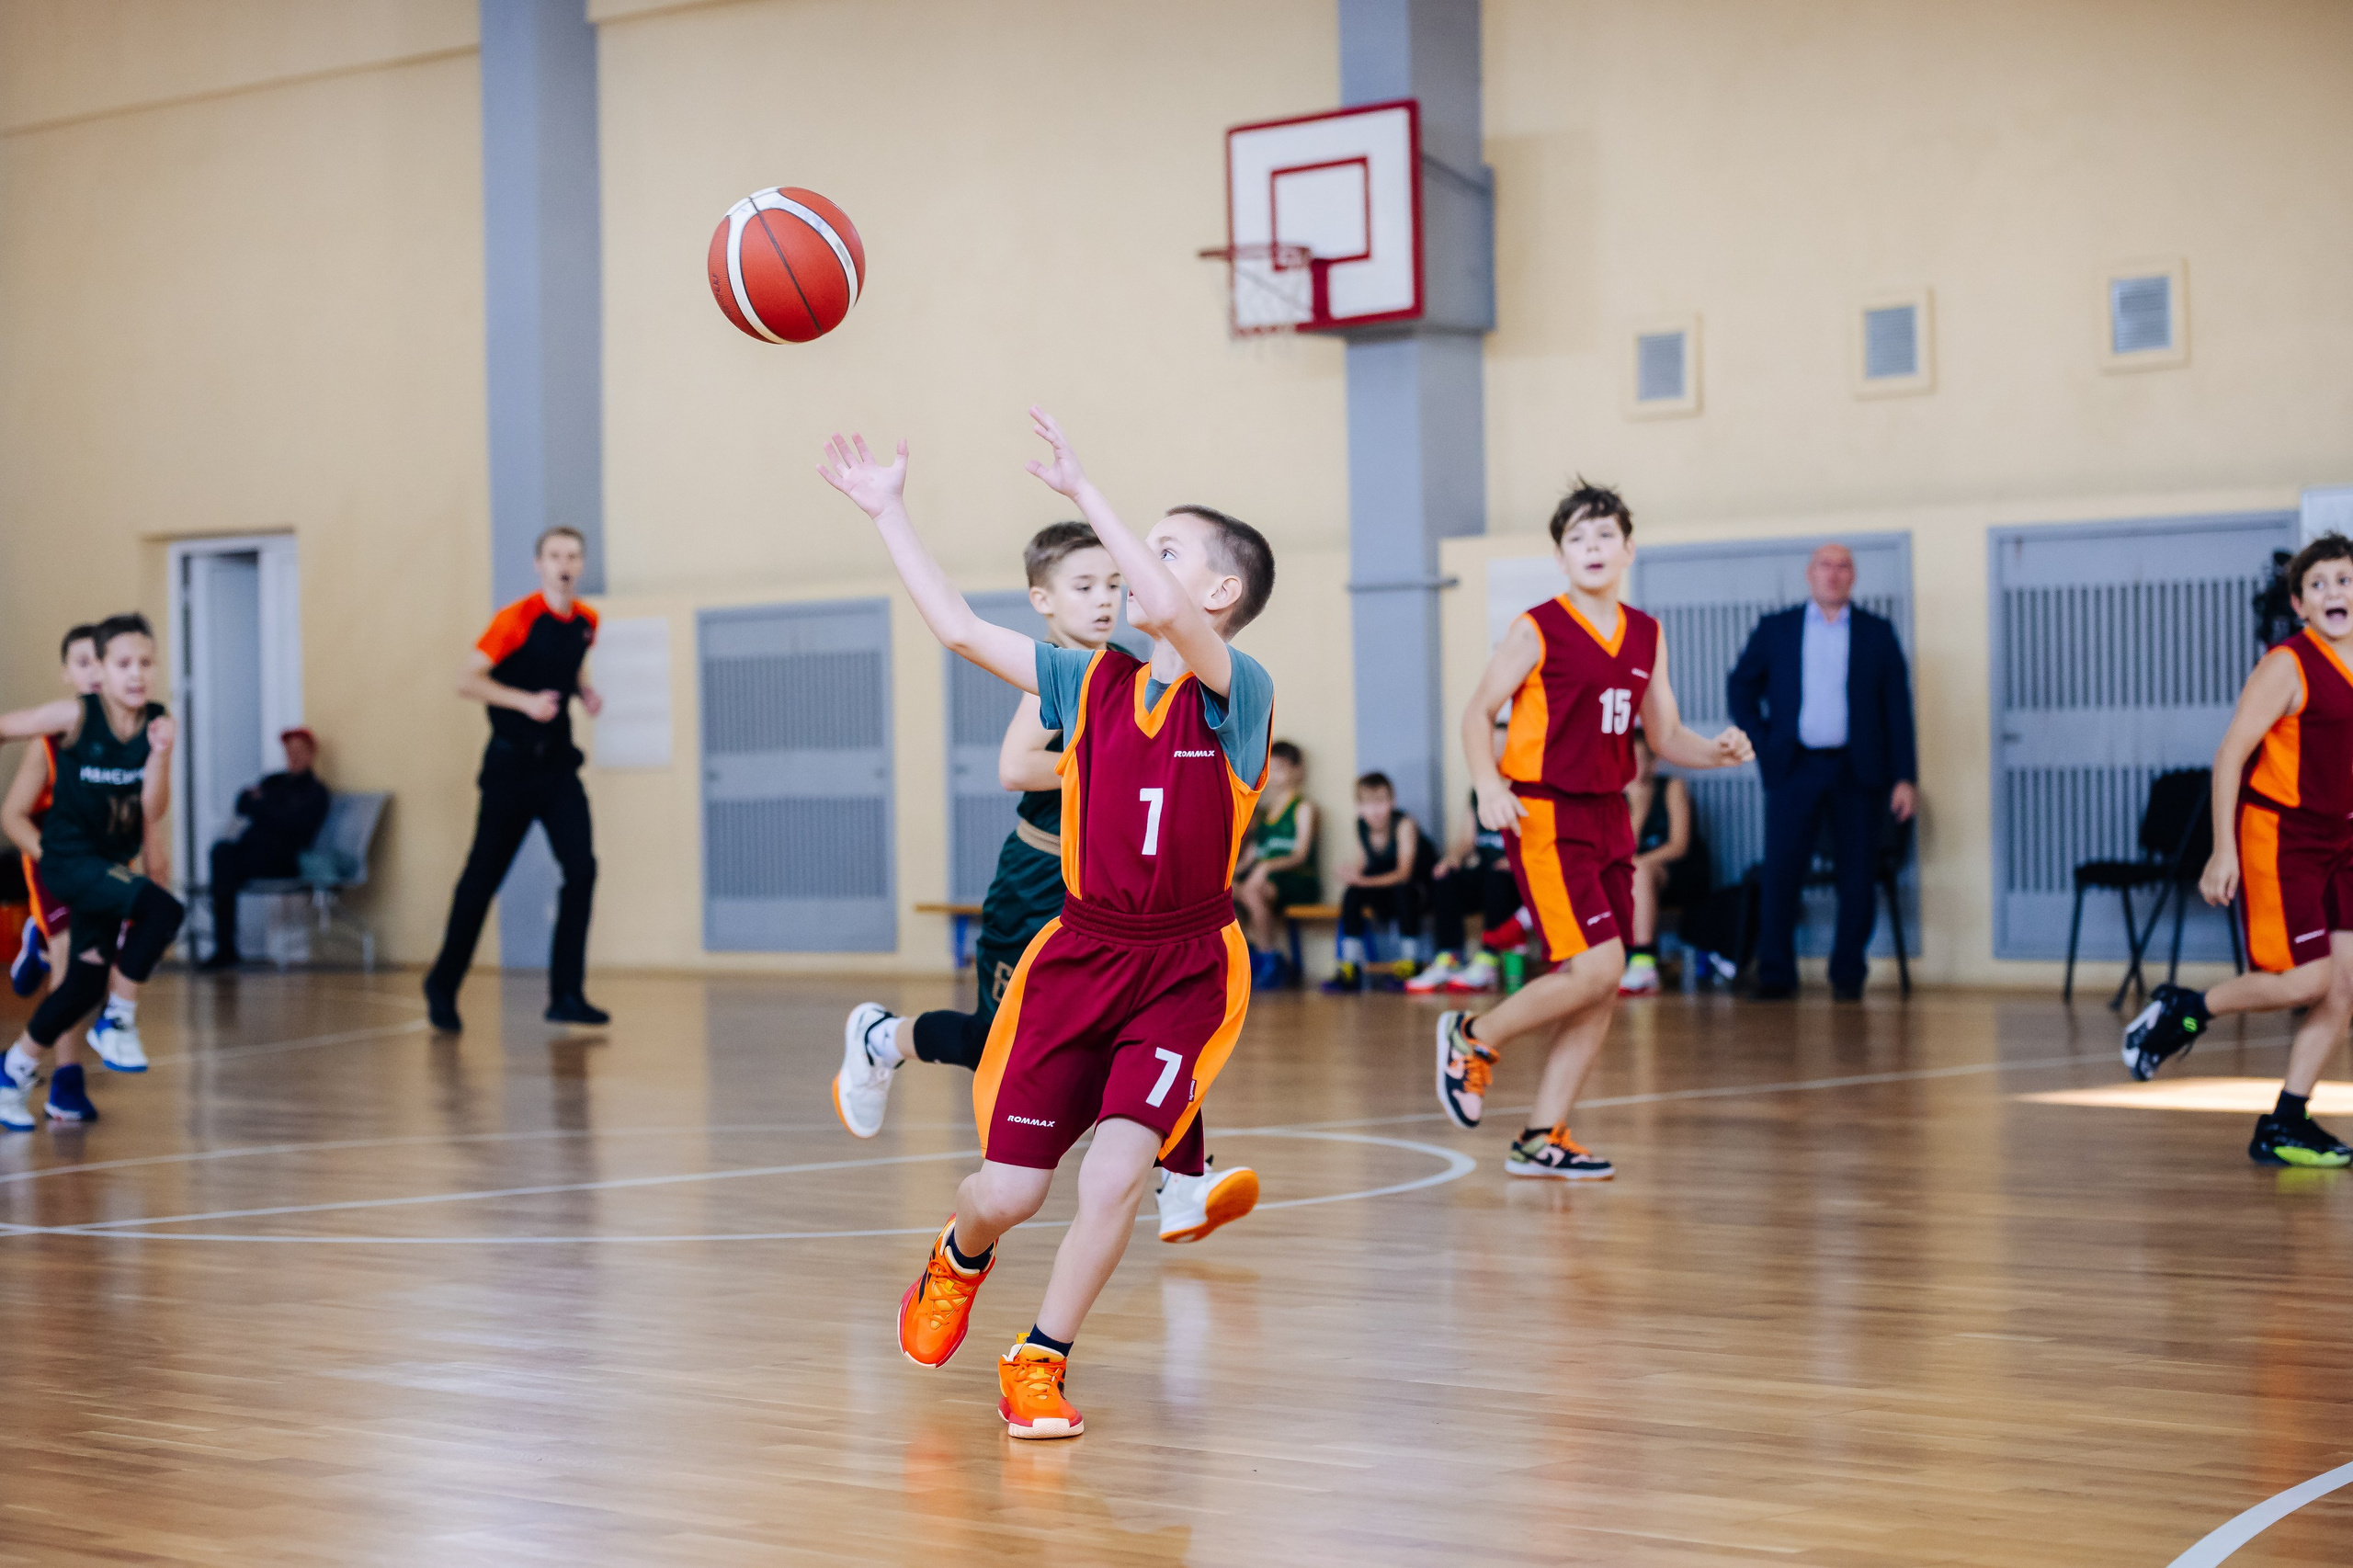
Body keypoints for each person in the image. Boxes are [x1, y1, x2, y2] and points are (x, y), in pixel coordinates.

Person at [817, 406, 1274, 1441]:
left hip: (1186, 969)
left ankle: (1039, 1358)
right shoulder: (1088, 678)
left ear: (1219, 595)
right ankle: (959, 1253)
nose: (1130, 569)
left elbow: (1164, 606)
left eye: (1161, 551)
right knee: (1010, 1193)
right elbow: (959, 630)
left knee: (1115, 1174)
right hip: (1078, 956)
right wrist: (888, 513)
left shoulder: (1236, 694)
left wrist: (1085, 492)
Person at [834, 520, 1259, 1244]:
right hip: (1039, 880)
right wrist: (1109, 768)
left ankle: (1183, 1178)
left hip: (1118, 894)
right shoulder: (1067, 675)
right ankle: (884, 1037)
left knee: (1152, 1015)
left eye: (1113, 584)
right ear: (1044, 601)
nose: (1104, 599)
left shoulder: (1140, 668)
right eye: (1084, 586)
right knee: (996, 1039)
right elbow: (1013, 766)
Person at [1436, 482, 1752, 1178]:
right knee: (1600, 966)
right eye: (1577, 538)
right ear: (1561, 557)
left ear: (1628, 549)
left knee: (1600, 983)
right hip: (1544, 812)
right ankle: (1472, 1035)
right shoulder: (1536, 628)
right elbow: (1477, 712)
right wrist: (1488, 785)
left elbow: (1665, 735)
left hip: (1610, 815)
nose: (1593, 547)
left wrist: (1718, 753)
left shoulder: (1646, 633)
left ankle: (1541, 1137)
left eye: (1605, 534)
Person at [2121, 533, 2353, 1167]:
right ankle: (2185, 1009)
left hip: (2342, 839)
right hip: (2284, 837)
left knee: (2345, 987)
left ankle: (2286, 1123)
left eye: (2345, 580)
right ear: (2299, 605)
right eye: (2318, 584)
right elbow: (2230, 756)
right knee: (2310, 979)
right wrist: (2222, 851)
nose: (2334, 592)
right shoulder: (2287, 665)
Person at [0, 613, 184, 1131]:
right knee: (164, 910)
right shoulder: (76, 716)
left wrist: (163, 754)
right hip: (67, 860)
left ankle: (13, 1073)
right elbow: (9, 725)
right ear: (101, 669)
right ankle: (118, 1021)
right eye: (124, 663)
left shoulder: (155, 723)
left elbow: (152, 808)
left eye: (145, 662)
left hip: (107, 868)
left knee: (82, 984)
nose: (136, 673)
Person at [423, 526, 608, 1031]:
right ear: (539, 564)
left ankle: (566, 994)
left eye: (572, 556)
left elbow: (570, 666)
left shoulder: (587, 621)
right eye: (555, 556)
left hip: (558, 769)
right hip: (510, 770)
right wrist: (524, 702)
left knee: (582, 871)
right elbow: (467, 678)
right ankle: (442, 984)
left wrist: (584, 692)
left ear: (581, 564)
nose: (564, 564)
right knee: (482, 880)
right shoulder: (516, 619)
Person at [1726, 542, 1917, 1000]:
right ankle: (1776, 974)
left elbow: (1897, 709)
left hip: (1858, 770)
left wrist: (1905, 777)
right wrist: (1765, 742)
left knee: (1858, 874)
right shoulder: (1777, 629)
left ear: (1853, 576)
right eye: (1825, 566)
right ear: (1810, 574)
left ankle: (1848, 974)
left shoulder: (1876, 633)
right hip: (1794, 767)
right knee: (1782, 872)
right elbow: (1740, 687)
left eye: (1842, 567)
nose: (1833, 574)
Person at [198, 726, 330, 970]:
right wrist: (271, 809)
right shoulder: (274, 781)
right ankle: (225, 948)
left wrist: (264, 806)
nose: (293, 756)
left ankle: (226, 949)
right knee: (222, 852)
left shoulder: (315, 792)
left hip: (283, 859)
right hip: (251, 851)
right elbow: (243, 803)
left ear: (311, 754)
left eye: (299, 750)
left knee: (230, 865)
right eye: (289, 751)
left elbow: (294, 826)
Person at [1409, 717, 1518, 994]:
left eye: (1504, 747)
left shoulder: (1526, 788)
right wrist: (1453, 858)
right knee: (1445, 876)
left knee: (1497, 875)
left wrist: (1516, 860)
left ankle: (1488, 958)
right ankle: (1449, 956)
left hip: (1516, 877)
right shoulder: (1480, 790)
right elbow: (1466, 840)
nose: (1497, 754)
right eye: (1493, 747)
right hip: (1484, 871)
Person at [1620, 730, 1707, 995]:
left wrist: (1637, 863)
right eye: (1629, 759)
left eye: (1641, 759)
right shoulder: (1617, 795)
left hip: (1677, 872)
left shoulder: (1672, 787)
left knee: (1639, 872)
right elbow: (1623, 849)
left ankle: (1644, 961)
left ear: (1654, 762)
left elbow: (1679, 846)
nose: (1635, 766)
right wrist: (1636, 807)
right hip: (1631, 876)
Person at [1324, 772, 1424, 993]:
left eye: (1380, 801)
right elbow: (1362, 866)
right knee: (1352, 894)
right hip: (1384, 887)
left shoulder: (1404, 824)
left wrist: (1363, 881)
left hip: (1418, 889)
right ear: (1359, 807)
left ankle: (1411, 963)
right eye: (1368, 803)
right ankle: (1350, 966)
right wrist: (1349, 873)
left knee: (1403, 892)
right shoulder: (1361, 826)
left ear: (1392, 802)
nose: (1375, 810)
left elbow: (1404, 873)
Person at [1233, 741, 1315, 985]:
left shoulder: (1302, 807)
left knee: (1251, 891)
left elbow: (1300, 855)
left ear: (1297, 770)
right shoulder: (1265, 813)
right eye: (1271, 768)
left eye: (1280, 768)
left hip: (1297, 880)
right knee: (1229, 891)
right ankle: (1243, 955)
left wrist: (1266, 867)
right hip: (1265, 881)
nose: (1275, 775)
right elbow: (1251, 857)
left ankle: (1268, 957)